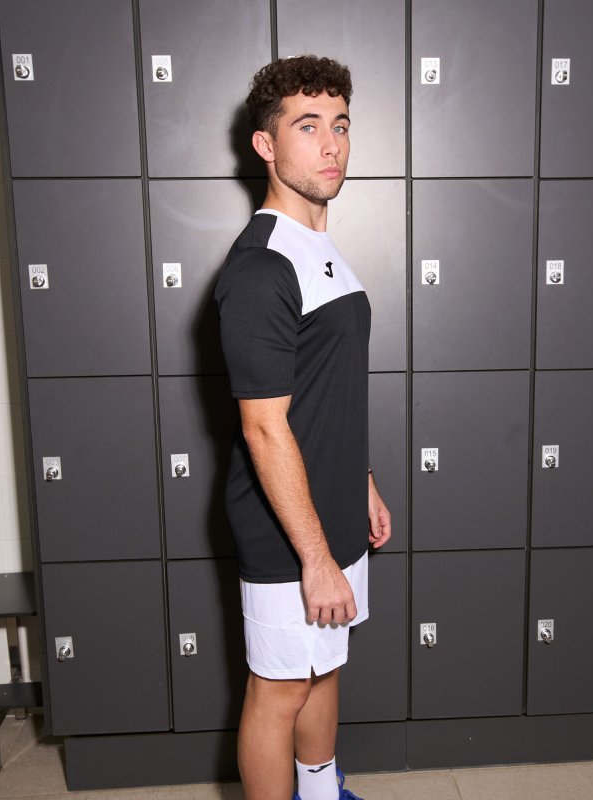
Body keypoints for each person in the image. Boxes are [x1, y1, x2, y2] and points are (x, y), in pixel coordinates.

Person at [214, 55, 392, 800]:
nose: (331, 144)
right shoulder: (262, 267)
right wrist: (314, 558)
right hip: (287, 528)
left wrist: (362, 482)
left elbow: (326, 387)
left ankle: (322, 790)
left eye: (340, 125)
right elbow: (263, 429)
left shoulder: (319, 246)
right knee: (279, 687)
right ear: (266, 145)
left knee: (325, 664)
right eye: (308, 126)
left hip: (333, 505)